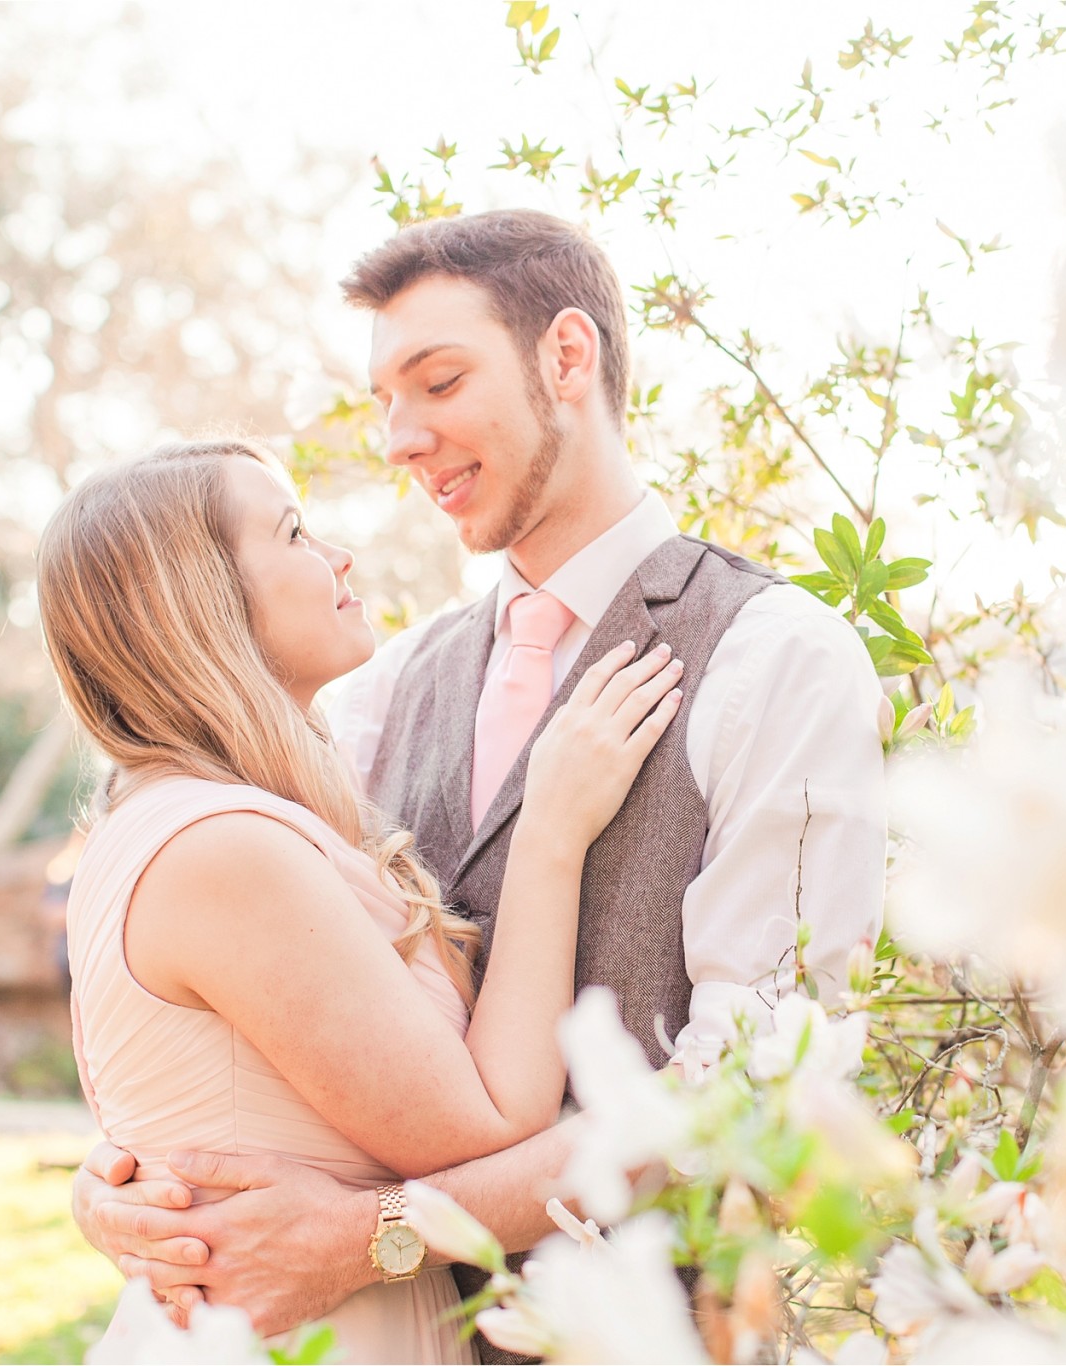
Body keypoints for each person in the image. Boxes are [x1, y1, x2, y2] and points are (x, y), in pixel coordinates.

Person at [70, 210, 888, 1360]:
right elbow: (259, 1022)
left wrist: (374, 1237)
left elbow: (756, 1097)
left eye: (438, 381)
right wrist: (125, 1182)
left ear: (566, 358)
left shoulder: (773, 660)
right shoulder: (374, 693)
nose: (400, 439)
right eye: (383, 404)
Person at [42, 438, 684, 1361]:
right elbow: (495, 1124)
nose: (339, 556)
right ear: (201, 601)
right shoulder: (221, 849)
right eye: (296, 532)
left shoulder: (194, 818)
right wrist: (550, 830)